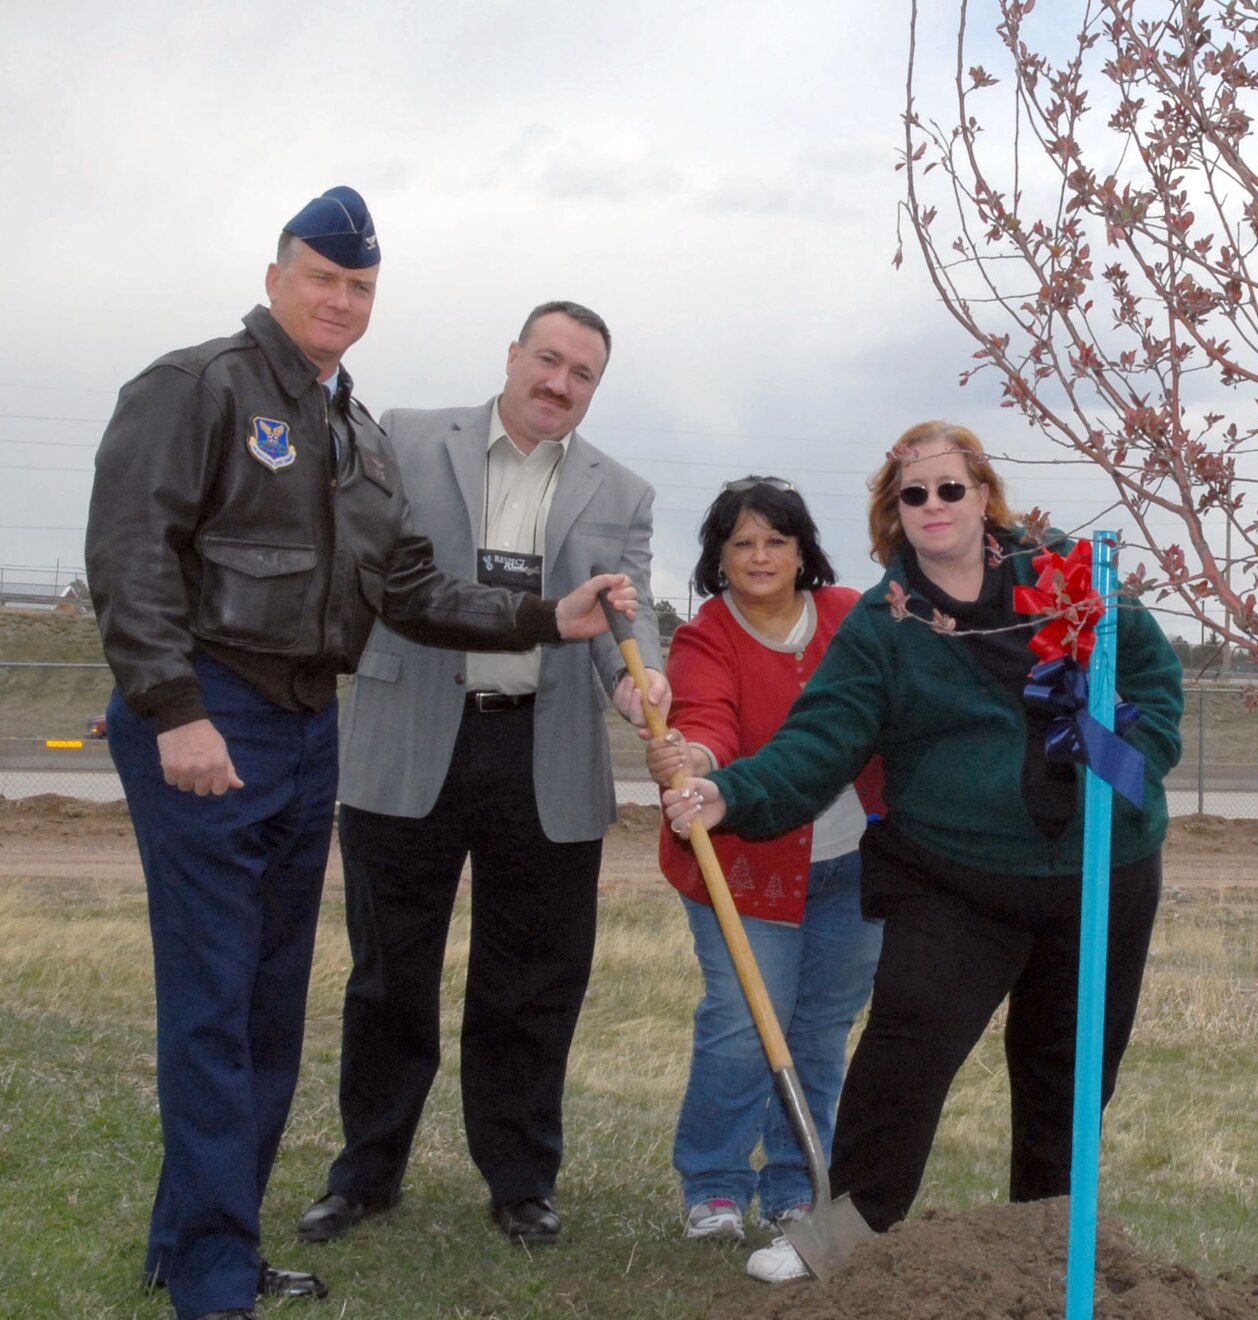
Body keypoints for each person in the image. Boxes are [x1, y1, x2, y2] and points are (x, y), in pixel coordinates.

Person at [85, 188, 639, 1320]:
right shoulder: (198, 385)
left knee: (263, 1006)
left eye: (360, 288)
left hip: (302, 732)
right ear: (279, 274)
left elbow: (416, 592)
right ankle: (212, 1281)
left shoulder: (353, 433)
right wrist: (172, 705)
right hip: (215, 720)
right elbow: (132, 552)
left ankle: (192, 1241)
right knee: (213, 1002)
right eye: (322, 278)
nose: (340, 301)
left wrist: (553, 621)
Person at [662, 420, 1183, 1283]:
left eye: (951, 487)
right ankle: (847, 1236)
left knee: (1070, 1069)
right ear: (893, 512)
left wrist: (1125, 759)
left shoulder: (1074, 578)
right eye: (914, 494)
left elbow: (1155, 689)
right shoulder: (887, 623)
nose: (934, 505)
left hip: (1103, 872)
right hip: (955, 879)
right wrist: (731, 795)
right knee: (903, 1055)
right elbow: (820, 740)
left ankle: (1047, 1240)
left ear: (983, 494)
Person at [295, 302, 663, 1249]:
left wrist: (637, 684)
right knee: (388, 978)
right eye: (547, 359)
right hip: (408, 739)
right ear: (512, 356)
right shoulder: (404, 439)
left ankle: (520, 1183)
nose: (559, 383)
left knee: (533, 987)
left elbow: (630, 618)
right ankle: (365, 1176)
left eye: (582, 374)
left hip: (542, 759)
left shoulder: (622, 490)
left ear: (595, 390)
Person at [643, 477, 884, 1281]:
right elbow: (706, 719)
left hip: (853, 868)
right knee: (747, 1024)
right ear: (717, 557)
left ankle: (791, 1186)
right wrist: (699, 763)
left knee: (817, 1030)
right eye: (741, 542)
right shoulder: (707, 635)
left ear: (802, 549)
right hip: (745, 866)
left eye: (775, 541)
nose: (759, 556)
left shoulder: (851, 615)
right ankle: (713, 1184)